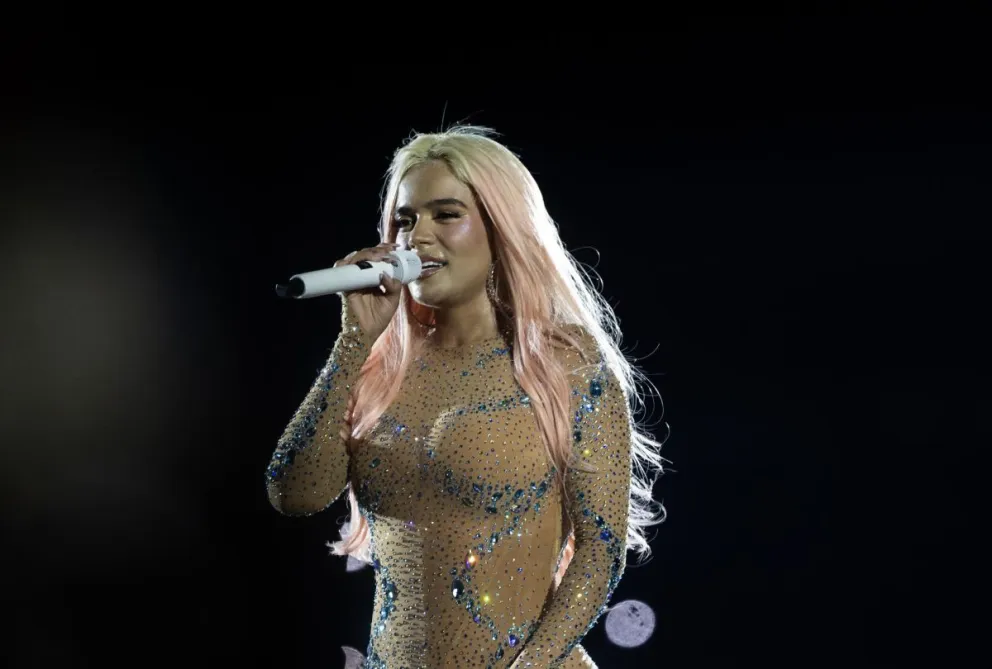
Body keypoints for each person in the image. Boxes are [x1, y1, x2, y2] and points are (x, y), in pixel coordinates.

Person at [265, 126, 667, 668]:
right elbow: (294, 494)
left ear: (500, 228)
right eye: (404, 220)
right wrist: (353, 343)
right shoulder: (377, 366)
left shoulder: (569, 368)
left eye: (446, 214)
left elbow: (601, 551)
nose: (417, 237)